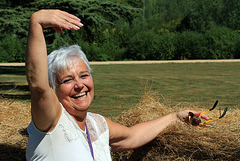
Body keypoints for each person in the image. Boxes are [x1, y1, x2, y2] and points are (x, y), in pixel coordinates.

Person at [25, 9, 209, 161]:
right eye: (67, 80)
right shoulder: (51, 121)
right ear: (53, 89)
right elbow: (38, 86)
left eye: (84, 75)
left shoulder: (96, 123)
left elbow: (133, 136)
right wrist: (37, 22)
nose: (79, 84)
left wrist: (175, 117)